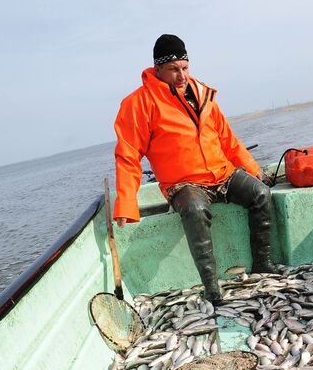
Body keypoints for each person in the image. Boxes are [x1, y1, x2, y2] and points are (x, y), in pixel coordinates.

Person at [113, 34, 275, 303]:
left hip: (221, 173)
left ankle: (263, 264)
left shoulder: (203, 93)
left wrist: (251, 167)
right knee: (195, 210)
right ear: (157, 70)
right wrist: (127, 203)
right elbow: (128, 155)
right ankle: (212, 288)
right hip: (184, 183)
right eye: (173, 70)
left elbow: (227, 138)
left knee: (260, 193)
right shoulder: (138, 103)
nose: (181, 75)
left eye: (185, 68)